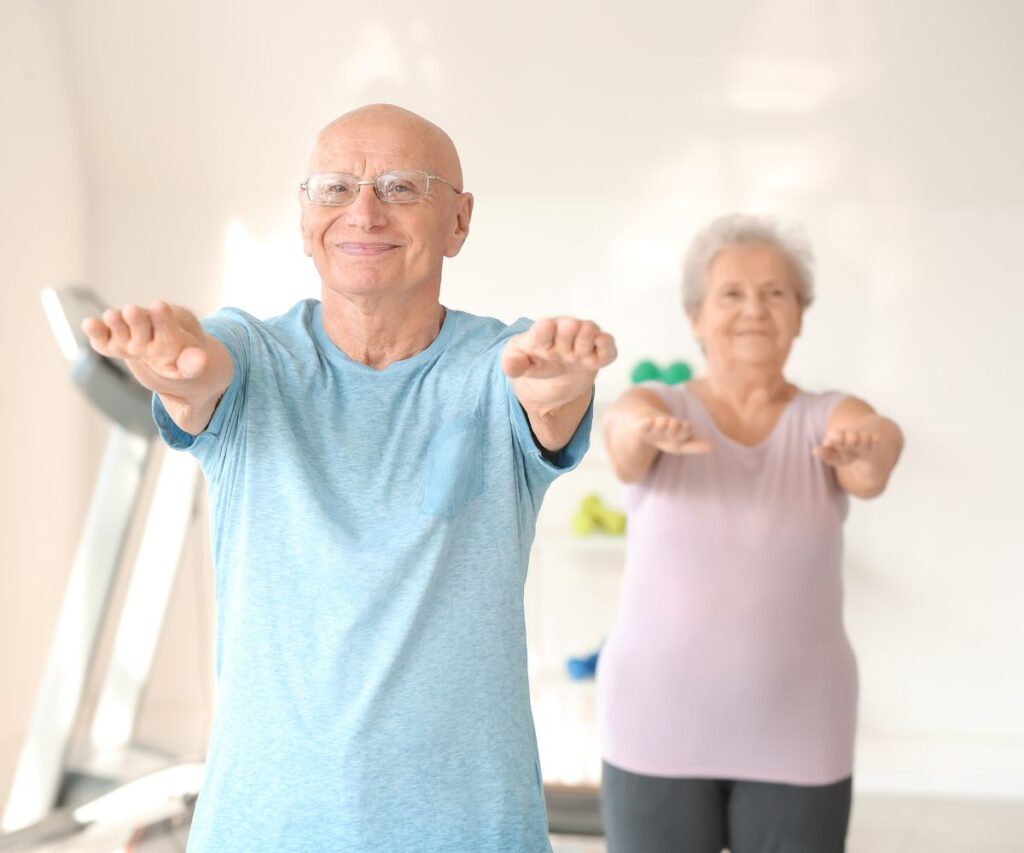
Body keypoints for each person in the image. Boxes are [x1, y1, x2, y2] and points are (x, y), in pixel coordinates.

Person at [82, 104, 617, 853]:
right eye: (334, 189)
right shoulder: (253, 353)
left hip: (467, 830)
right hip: (266, 829)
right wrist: (175, 372)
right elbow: (203, 377)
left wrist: (563, 388)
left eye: (402, 187)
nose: (363, 211)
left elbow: (546, 404)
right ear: (306, 222)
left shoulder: (502, 366)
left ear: (459, 221)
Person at [597, 214, 903, 853]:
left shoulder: (828, 416)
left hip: (800, 724)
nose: (754, 310)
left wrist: (868, 447)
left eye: (775, 293)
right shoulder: (662, 404)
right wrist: (641, 432)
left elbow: (874, 458)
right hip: (656, 720)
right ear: (695, 315)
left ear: (800, 313)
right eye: (731, 294)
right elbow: (625, 432)